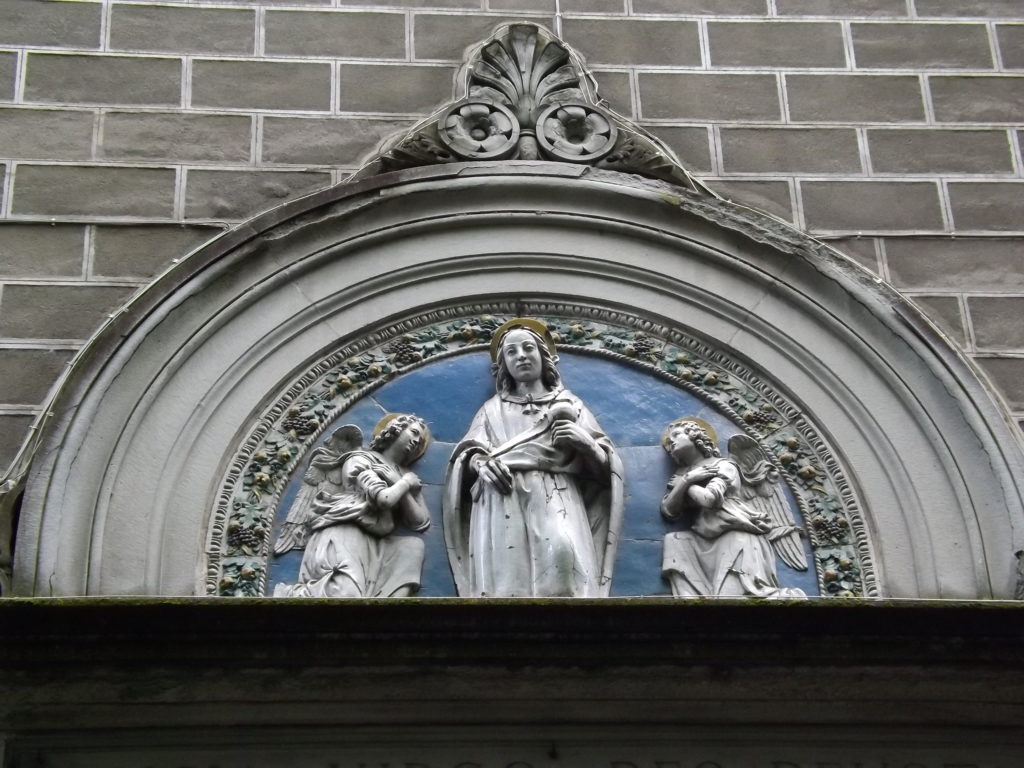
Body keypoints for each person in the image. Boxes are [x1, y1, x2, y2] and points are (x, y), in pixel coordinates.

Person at [443, 318, 623, 597]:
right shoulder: (492, 409)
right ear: (503, 364)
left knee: (564, 557)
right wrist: (481, 463)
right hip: (501, 494)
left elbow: (605, 472)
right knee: (508, 582)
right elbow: (470, 452)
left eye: (528, 348)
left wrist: (584, 442)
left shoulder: (572, 405)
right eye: (511, 352)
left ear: (543, 355)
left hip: (555, 491)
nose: (521, 356)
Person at [273, 414, 431, 598]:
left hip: (376, 543)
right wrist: (404, 483)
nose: (416, 441)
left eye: (420, 441)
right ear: (395, 430)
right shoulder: (360, 459)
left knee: (413, 547)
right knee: (346, 595)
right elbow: (384, 499)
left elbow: (420, 522)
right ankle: (295, 595)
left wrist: (404, 484)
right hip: (346, 534)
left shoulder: (402, 474)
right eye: (413, 432)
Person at [660, 418, 805, 599]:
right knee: (674, 540)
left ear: (695, 436)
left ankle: (788, 598)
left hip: (734, 536)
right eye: (668, 440)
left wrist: (687, 483)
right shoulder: (683, 474)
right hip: (703, 538)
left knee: (733, 600)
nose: (670, 441)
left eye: (676, 435)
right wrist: (686, 479)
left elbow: (710, 500)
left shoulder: (724, 465)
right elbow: (669, 511)